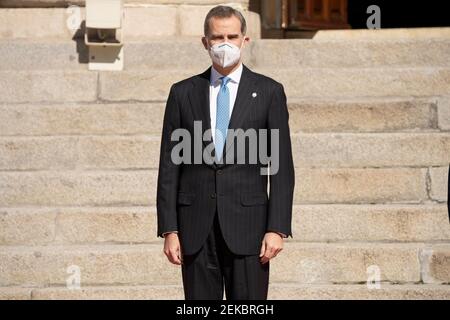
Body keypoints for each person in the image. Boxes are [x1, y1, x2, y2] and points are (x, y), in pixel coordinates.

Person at [156, 5, 295, 300]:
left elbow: (281, 166)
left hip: (249, 227)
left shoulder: (269, 92)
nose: (225, 44)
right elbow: (169, 166)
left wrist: (277, 228)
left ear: (245, 39)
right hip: (195, 228)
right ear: (205, 42)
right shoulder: (183, 93)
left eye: (232, 36)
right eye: (217, 37)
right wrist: (169, 228)